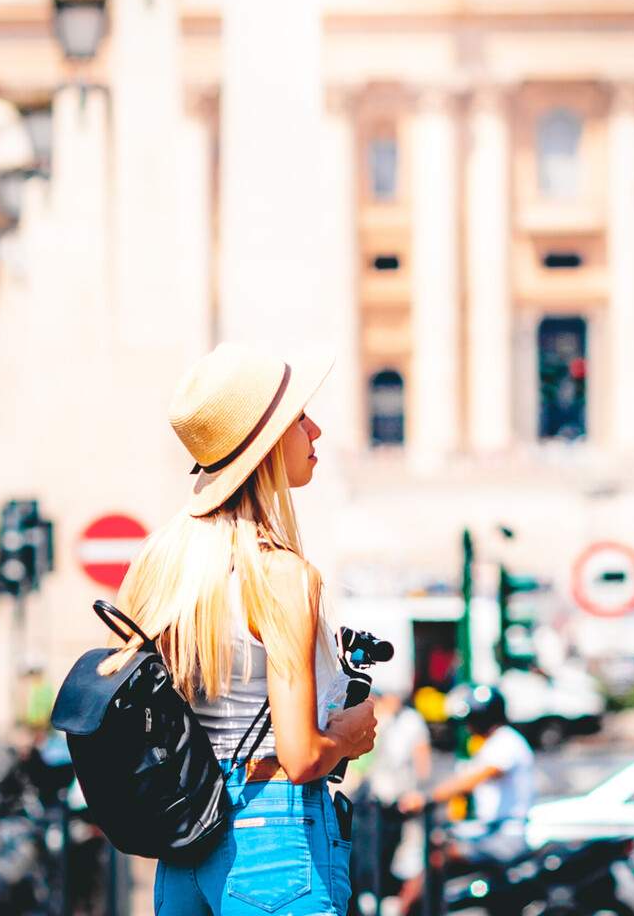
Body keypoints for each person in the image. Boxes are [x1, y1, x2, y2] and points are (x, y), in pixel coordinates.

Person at [110, 343, 378, 916]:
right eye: (301, 417)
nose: (317, 430)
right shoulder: (280, 573)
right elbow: (301, 754)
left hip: (186, 843)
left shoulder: (160, 565)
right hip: (274, 837)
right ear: (269, 444)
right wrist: (351, 734)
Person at [395, 686, 536, 911]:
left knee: (437, 855)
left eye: (471, 719)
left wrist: (427, 798)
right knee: (441, 843)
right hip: (491, 830)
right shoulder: (494, 743)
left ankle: (406, 911)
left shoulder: (506, 743)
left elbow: (470, 780)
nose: (468, 726)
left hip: (505, 836)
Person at [359, 687, 433, 898]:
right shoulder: (377, 718)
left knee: (409, 857)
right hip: (375, 801)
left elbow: (422, 763)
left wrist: (420, 794)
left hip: (404, 801)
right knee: (373, 855)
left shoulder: (411, 721)